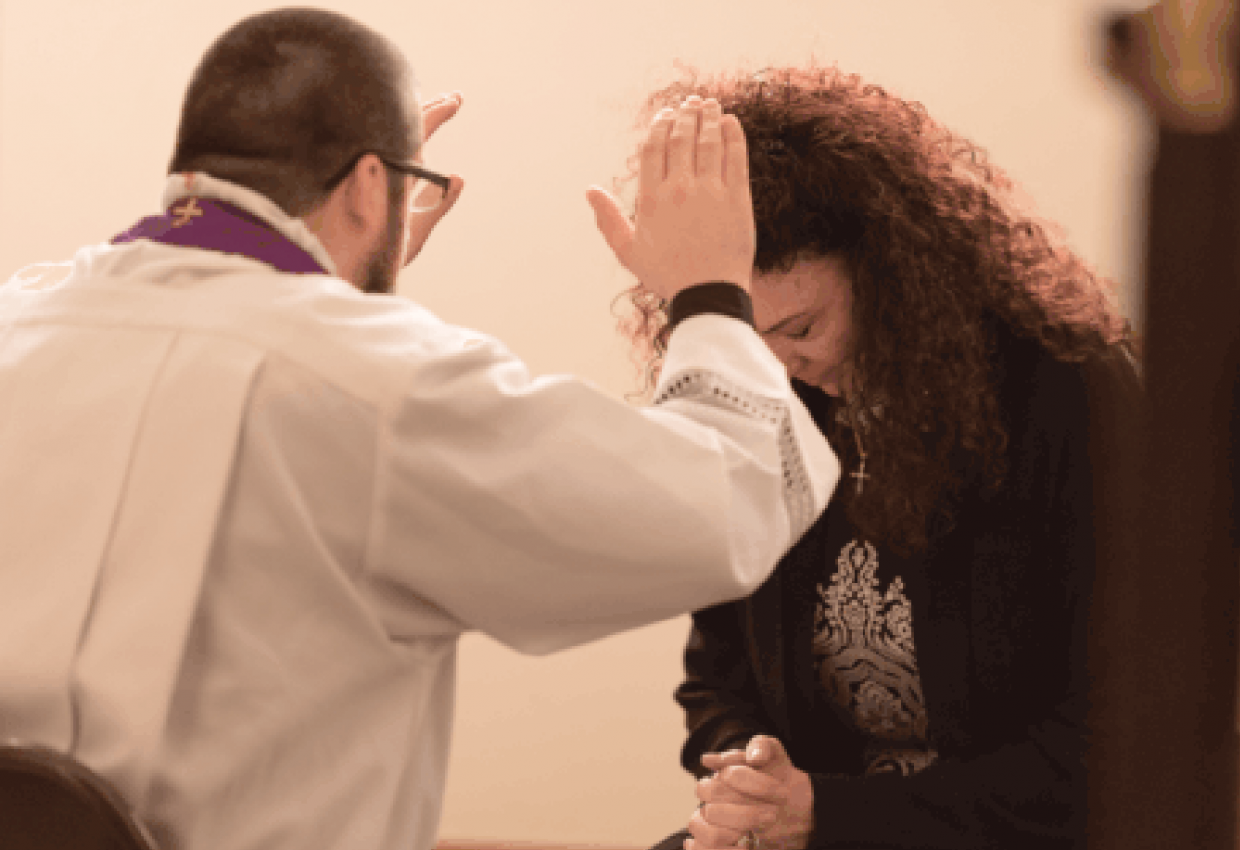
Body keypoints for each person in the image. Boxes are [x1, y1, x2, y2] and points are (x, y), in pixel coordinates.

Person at [0, 10, 840, 850]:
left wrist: (336, 281)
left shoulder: (20, 322)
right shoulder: (380, 386)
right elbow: (727, 501)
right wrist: (708, 290)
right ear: (370, 185)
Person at [624, 66, 1144, 850]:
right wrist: (751, 776)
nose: (778, 369)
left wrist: (829, 814)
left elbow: (1106, 749)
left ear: (892, 273)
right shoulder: (772, 403)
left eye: (802, 329)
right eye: (744, 340)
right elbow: (718, 670)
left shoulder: (1067, 393)